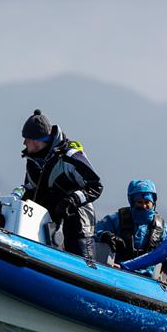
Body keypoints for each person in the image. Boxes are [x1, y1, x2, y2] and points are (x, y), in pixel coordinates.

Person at [17, 109, 103, 260]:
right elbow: (29, 190)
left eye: (27, 138)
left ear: (37, 141)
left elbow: (95, 186)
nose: (24, 143)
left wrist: (72, 200)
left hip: (78, 225)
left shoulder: (70, 157)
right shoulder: (32, 163)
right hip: (46, 224)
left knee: (82, 264)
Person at [95, 179, 167, 280]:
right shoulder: (116, 219)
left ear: (153, 203)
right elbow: (94, 232)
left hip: (148, 279)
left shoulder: (161, 227)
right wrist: (105, 235)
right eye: (139, 202)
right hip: (117, 271)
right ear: (132, 202)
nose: (144, 206)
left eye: (147, 202)